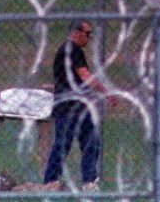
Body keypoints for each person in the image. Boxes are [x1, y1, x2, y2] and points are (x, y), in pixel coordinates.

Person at [43, 19, 111, 188]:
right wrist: (107, 93)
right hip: (68, 107)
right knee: (63, 143)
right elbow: (85, 76)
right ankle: (51, 180)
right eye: (87, 33)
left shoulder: (70, 51)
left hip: (78, 106)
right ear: (76, 32)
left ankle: (89, 181)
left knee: (90, 141)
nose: (89, 37)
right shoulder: (72, 49)